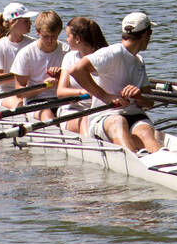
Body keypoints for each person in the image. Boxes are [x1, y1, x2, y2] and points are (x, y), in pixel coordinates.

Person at [67, 11, 162, 153]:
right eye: (150, 33)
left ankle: (162, 162)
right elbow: (76, 70)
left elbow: (149, 104)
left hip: (135, 115)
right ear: (145, 34)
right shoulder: (113, 52)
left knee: (146, 132)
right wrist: (106, 96)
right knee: (119, 122)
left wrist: (139, 96)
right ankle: (135, 161)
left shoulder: (139, 61)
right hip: (105, 116)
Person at [10, 11, 69, 122]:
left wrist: (62, 75)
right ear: (37, 32)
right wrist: (44, 86)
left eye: (54, 36)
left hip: (62, 99)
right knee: (46, 113)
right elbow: (19, 93)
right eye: (46, 36)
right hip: (36, 101)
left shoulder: (66, 50)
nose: (50, 40)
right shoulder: (26, 54)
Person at [55, 18, 109, 132]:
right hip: (73, 110)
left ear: (77, 39)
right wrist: (82, 92)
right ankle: (91, 146)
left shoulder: (104, 57)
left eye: (68, 36)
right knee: (85, 119)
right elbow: (61, 92)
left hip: (101, 109)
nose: (66, 39)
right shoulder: (70, 57)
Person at [0, 5, 36, 108]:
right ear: (12, 22)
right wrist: (21, 75)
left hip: (30, 91)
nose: (30, 23)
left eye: (29, 20)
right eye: (26, 21)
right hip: (6, 93)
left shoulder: (33, 43)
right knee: (20, 104)